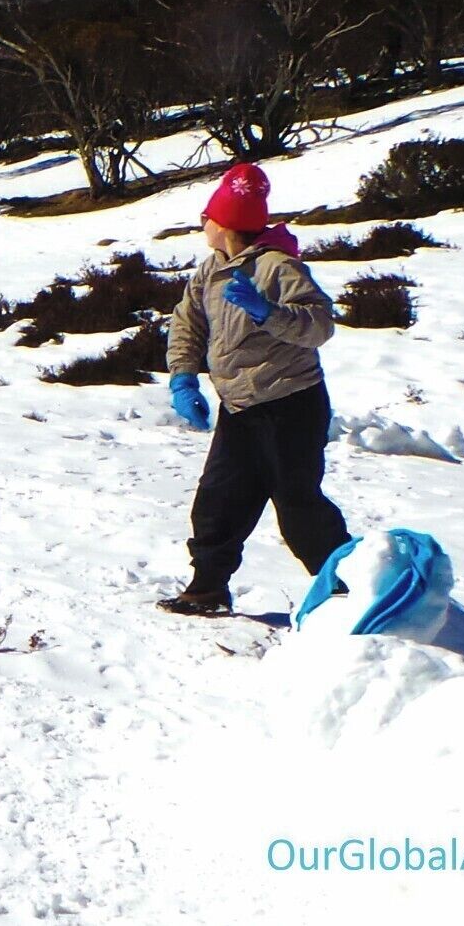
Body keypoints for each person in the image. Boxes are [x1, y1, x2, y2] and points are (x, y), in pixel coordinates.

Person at [157, 162, 353, 617]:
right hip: (240, 406)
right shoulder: (210, 270)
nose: (202, 225)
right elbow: (187, 322)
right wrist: (182, 376)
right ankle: (207, 588)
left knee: (298, 507)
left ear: (223, 223)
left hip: (291, 404)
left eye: (206, 216)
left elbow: (320, 324)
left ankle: (354, 590)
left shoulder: (276, 267)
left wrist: (268, 312)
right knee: (217, 500)